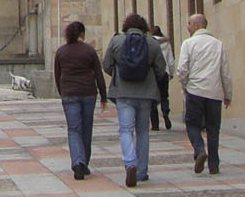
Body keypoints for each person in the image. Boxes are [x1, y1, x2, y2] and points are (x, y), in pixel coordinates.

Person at [102, 12, 168, 187]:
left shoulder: (117, 41)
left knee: (125, 130)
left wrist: (119, 75)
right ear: (144, 27)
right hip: (146, 93)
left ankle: (130, 163)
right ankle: (141, 171)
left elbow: (106, 65)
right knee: (143, 131)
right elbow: (162, 69)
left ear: (126, 26)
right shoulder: (152, 44)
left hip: (123, 93)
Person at [174, 12, 233, 175]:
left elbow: (182, 69)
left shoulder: (188, 44)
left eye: (189, 24)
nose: (187, 27)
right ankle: (214, 164)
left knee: (192, 125)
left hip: (195, 91)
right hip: (214, 93)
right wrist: (228, 94)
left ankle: (199, 150)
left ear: (198, 25)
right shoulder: (217, 44)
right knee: (213, 128)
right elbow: (225, 72)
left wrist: (185, 86)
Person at [53, 20, 107, 180]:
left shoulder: (61, 52)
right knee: (86, 128)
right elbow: (98, 74)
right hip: (88, 93)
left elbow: (58, 75)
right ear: (82, 34)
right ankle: (84, 163)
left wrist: (62, 92)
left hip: (69, 94)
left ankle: (78, 161)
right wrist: (104, 96)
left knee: (74, 129)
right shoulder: (89, 51)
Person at [148, 24, 174, 131]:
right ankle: (165, 112)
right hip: (164, 73)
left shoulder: (149, 43)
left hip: (152, 74)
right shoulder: (166, 44)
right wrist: (171, 73)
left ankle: (155, 124)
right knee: (164, 96)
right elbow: (171, 61)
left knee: (152, 99)